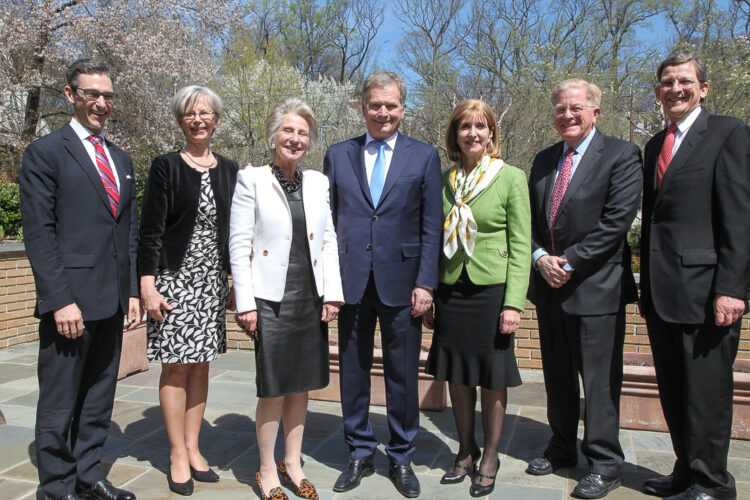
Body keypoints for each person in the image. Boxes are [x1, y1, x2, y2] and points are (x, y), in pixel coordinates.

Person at [19, 59, 141, 500]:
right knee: (58, 402)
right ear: (70, 95)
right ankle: (56, 486)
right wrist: (58, 300)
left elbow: (125, 229)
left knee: (97, 400)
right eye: (92, 94)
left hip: (111, 301)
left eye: (108, 95)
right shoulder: (46, 153)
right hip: (69, 303)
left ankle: (89, 477)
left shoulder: (121, 159)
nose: (101, 103)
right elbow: (39, 232)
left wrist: (130, 293)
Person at [324, 71, 442, 499]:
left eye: (391, 105)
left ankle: (402, 455)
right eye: (375, 104)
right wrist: (328, 285)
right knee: (352, 372)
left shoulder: (424, 157)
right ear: (362, 106)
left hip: (404, 284)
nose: (383, 112)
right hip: (350, 282)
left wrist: (427, 283)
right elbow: (326, 227)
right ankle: (358, 451)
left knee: (402, 375)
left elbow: (433, 226)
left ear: (403, 108)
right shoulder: (338, 156)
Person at [640, 53, 750, 500]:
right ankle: (685, 470)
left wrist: (731, 288)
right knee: (674, 390)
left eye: (685, 81)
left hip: (707, 293)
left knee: (706, 394)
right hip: (662, 293)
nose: (676, 89)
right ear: (658, 92)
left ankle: (712, 483)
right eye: (667, 82)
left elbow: (740, 216)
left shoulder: (728, 133)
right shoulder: (654, 145)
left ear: (703, 88)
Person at [526, 78, 642, 499]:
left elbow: (616, 223)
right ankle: (561, 448)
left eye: (576, 108)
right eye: (560, 108)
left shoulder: (622, 154)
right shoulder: (542, 160)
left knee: (598, 382)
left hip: (596, 287)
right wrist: (539, 257)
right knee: (557, 378)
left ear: (596, 112)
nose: (567, 115)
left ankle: (605, 462)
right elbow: (529, 223)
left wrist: (569, 262)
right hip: (550, 289)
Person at [229, 98, 343, 500]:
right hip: (270, 300)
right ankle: (265, 470)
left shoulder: (318, 183)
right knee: (274, 387)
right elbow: (239, 243)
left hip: (310, 298)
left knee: (302, 386)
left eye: (302, 133)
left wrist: (333, 294)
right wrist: (245, 303)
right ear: (273, 135)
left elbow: (328, 240)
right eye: (288, 131)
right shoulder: (252, 179)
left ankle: (292, 462)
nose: (295, 139)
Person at [423, 99, 531, 497]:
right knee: (457, 372)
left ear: (491, 133)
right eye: (465, 126)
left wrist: (514, 303)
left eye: (480, 126)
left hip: (492, 290)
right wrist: (431, 291)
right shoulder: (447, 180)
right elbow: (435, 237)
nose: (473, 133)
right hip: (453, 287)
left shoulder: (510, 177)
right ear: (455, 134)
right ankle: (465, 449)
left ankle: (490, 456)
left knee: (491, 376)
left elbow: (521, 244)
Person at [137, 85, 239, 495]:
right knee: (175, 365)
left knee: (201, 365)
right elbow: (150, 231)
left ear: (216, 119)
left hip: (212, 280)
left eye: (205, 113)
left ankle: (196, 449)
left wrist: (236, 281)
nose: (197, 120)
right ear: (180, 121)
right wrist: (147, 282)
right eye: (189, 114)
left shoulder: (230, 169)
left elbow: (237, 232)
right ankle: (177, 452)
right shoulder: (166, 166)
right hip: (173, 280)